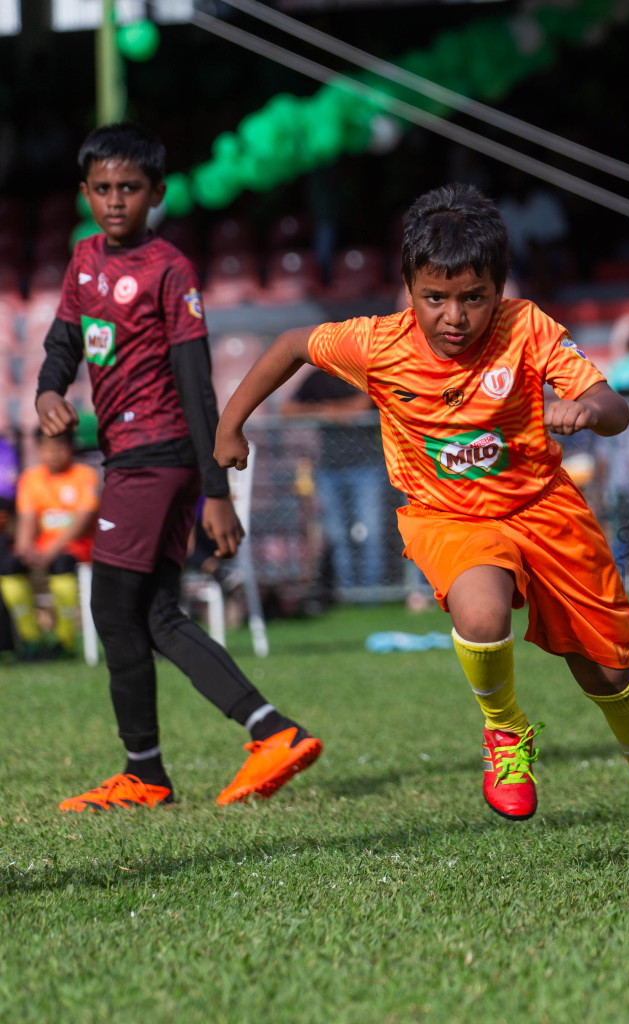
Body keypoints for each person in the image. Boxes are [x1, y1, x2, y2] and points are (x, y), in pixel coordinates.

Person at [214, 184, 629, 865]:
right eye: (434, 297)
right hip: (448, 517)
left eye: (473, 297)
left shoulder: (526, 327)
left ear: (500, 288)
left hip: (545, 510)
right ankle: (504, 731)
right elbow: (291, 344)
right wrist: (230, 426)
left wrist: (588, 409)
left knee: (608, 677)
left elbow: (612, 405)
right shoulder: (377, 344)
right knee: (479, 612)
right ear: (408, 288)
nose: (454, 315)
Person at [38, 123, 322, 812]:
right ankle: (250, 738)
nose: (115, 201)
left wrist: (216, 490)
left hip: (157, 455)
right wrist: (50, 388)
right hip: (132, 457)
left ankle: (163, 765)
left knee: (112, 607)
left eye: (129, 189)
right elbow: (61, 342)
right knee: (154, 612)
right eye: (102, 189)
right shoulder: (83, 263)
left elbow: (197, 384)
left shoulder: (170, 270)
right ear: (85, 193)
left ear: (156, 194)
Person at [281, 368, 390, 601]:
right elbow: (287, 409)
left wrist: (328, 411)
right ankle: (348, 593)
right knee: (337, 534)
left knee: (370, 532)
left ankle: (373, 594)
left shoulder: (363, 372)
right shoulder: (318, 377)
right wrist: (325, 411)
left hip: (366, 466)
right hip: (329, 469)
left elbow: (361, 407)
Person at [0, 429, 98, 657]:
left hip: (78, 547)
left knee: (62, 565)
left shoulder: (85, 475)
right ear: (38, 449)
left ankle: (65, 641)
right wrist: (25, 549)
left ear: (70, 448)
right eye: (46, 448)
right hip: (42, 548)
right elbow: (27, 519)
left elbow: (80, 524)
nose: (52, 454)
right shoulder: (31, 479)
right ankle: (30, 640)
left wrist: (49, 552)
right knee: (9, 567)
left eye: (59, 447)